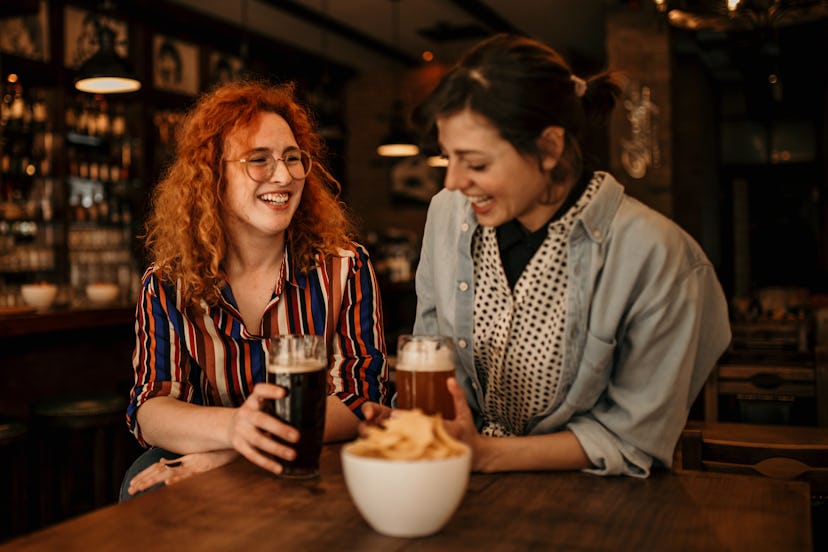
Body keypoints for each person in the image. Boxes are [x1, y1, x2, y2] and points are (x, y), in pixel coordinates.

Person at [410, 34, 731, 477]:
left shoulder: (660, 258)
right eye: (447, 158)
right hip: (462, 488)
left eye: (477, 164)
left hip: (595, 505)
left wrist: (484, 453)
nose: (452, 181)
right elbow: (433, 357)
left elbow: (634, 438)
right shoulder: (447, 217)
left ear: (548, 148)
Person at [121, 80, 389, 499]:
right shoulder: (167, 282)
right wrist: (234, 430)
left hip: (316, 456)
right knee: (142, 489)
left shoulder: (344, 267)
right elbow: (151, 406)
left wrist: (236, 452)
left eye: (292, 158)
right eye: (258, 160)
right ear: (212, 174)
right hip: (208, 446)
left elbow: (363, 397)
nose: (282, 176)